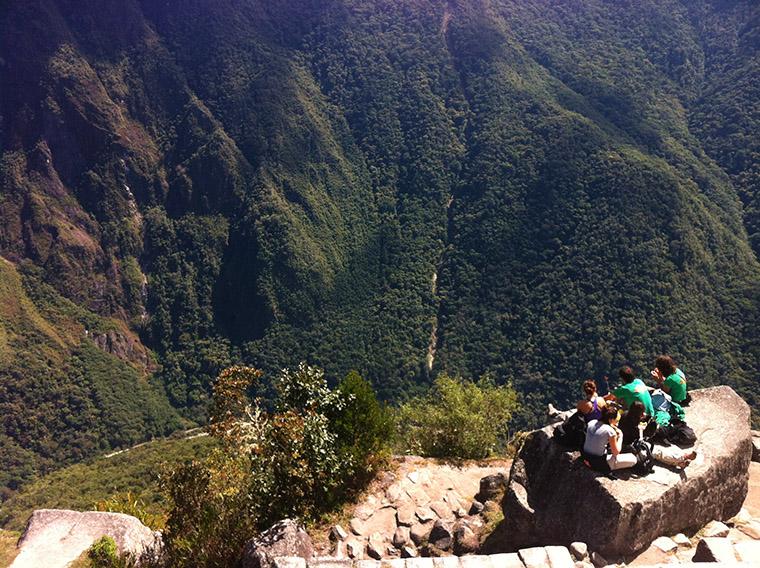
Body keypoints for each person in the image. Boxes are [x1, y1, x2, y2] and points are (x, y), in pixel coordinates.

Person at [619, 401, 697, 469]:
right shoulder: (633, 426)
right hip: (630, 447)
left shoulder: (626, 414)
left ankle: (683, 455)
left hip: (630, 440)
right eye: (641, 413)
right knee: (656, 451)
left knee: (666, 444)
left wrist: (646, 419)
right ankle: (680, 460)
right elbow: (645, 435)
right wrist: (651, 426)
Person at [583, 405, 637, 472]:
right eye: (615, 420)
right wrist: (620, 436)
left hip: (585, 457)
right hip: (598, 463)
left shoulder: (591, 422)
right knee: (633, 459)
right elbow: (616, 452)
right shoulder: (610, 431)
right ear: (611, 419)